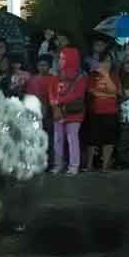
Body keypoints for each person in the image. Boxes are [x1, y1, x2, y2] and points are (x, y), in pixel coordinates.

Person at [49, 47, 87, 175]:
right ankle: (58, 164)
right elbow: (51, 91)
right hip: (59, 110)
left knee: (72, 138)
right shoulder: (56, 74)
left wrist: (60, 101)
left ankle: (73, 166)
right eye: (60, 58)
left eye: (63, 58)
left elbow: (79, 94)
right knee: (58, 139)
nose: (60, 60)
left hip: (73, 111)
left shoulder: (80, 76)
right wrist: (55, 103)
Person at [83, 52, 119, 173]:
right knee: (92, 139)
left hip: (111, 111)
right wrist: (107, 94)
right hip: (95, 111)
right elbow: (91, 91)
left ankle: (105, 166)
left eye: (108, 61)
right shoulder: (92, 76)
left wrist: (106, 76)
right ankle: (89, 165)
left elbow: (115, 91)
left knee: (108, 139)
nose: (106, 64)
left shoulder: (114, 75)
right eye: (103, 61)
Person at [26, 54, 57, 167]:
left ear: (49, 66)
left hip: (50, 112)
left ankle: (50, 163)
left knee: (50, 139)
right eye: (40, 65)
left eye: (45, 65)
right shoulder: (32, 79)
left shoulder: (54, 79)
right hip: (35, 113)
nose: (42, 67)